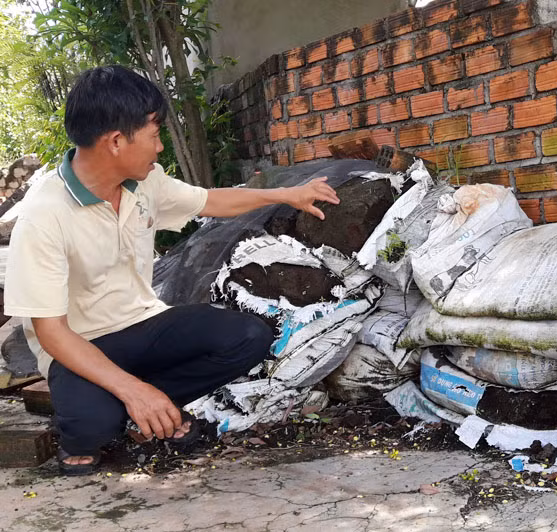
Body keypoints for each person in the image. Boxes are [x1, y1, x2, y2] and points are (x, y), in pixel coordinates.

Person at [4, 66, 340, 476]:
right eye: (153, 135)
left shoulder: (144, 183)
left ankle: (143, 404)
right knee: (92, 429)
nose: (160, 147)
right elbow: (51, 332)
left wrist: (287, 193)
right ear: (115, 141)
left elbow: (210, 201)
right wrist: (132, 389)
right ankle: (120, 408)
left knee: (247, 336)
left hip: (145, 325)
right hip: (79, 345)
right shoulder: (44, 217)